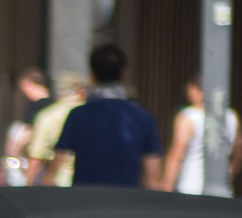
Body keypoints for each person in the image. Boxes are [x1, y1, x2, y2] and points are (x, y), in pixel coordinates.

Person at [46, 46, 162, 188]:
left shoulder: (78, 116)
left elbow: (53, 170)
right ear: (124, 74)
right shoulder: (143, 118)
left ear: (92, 75)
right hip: (128, 201)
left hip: (86, 201)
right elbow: (153, 175)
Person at [161, 76, 242, 194]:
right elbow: (240, 155)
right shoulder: (232, 117)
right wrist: (227, 175)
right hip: (223, 190)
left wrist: (166, 187)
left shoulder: (189, 117)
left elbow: (177, 155)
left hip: (190, 188)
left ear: (196, 90)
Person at [25, 71, 85, 185]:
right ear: (81, 91)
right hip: (88, 184)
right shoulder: (91, 115)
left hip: (57, 184)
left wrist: (27, 187)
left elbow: (36, 158)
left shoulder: (47, 116)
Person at [1, 67, 51, 185]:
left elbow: (27, 135)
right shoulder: (54, 106)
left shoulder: (37, 107)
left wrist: (12, 156)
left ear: (27, 84)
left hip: (32, 161)